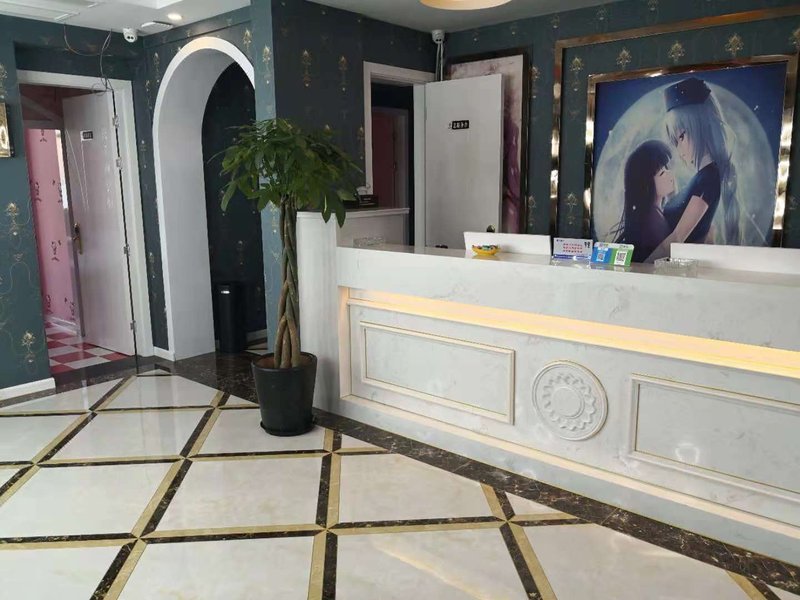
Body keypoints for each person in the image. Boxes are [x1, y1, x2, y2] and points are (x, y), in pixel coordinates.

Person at [646, 77, 738, 261]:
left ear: (699, 126)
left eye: (681, 137)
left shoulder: (708, 178)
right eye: (675, 142)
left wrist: (640, 267)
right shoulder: (702, 178)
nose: (679, 150)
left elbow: (677, 238)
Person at [612, 140, 675, 263]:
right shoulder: (652, 219)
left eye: (667, 168)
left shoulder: (651, 214)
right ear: (646, 184)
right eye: (662, 173)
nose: (670, 175)